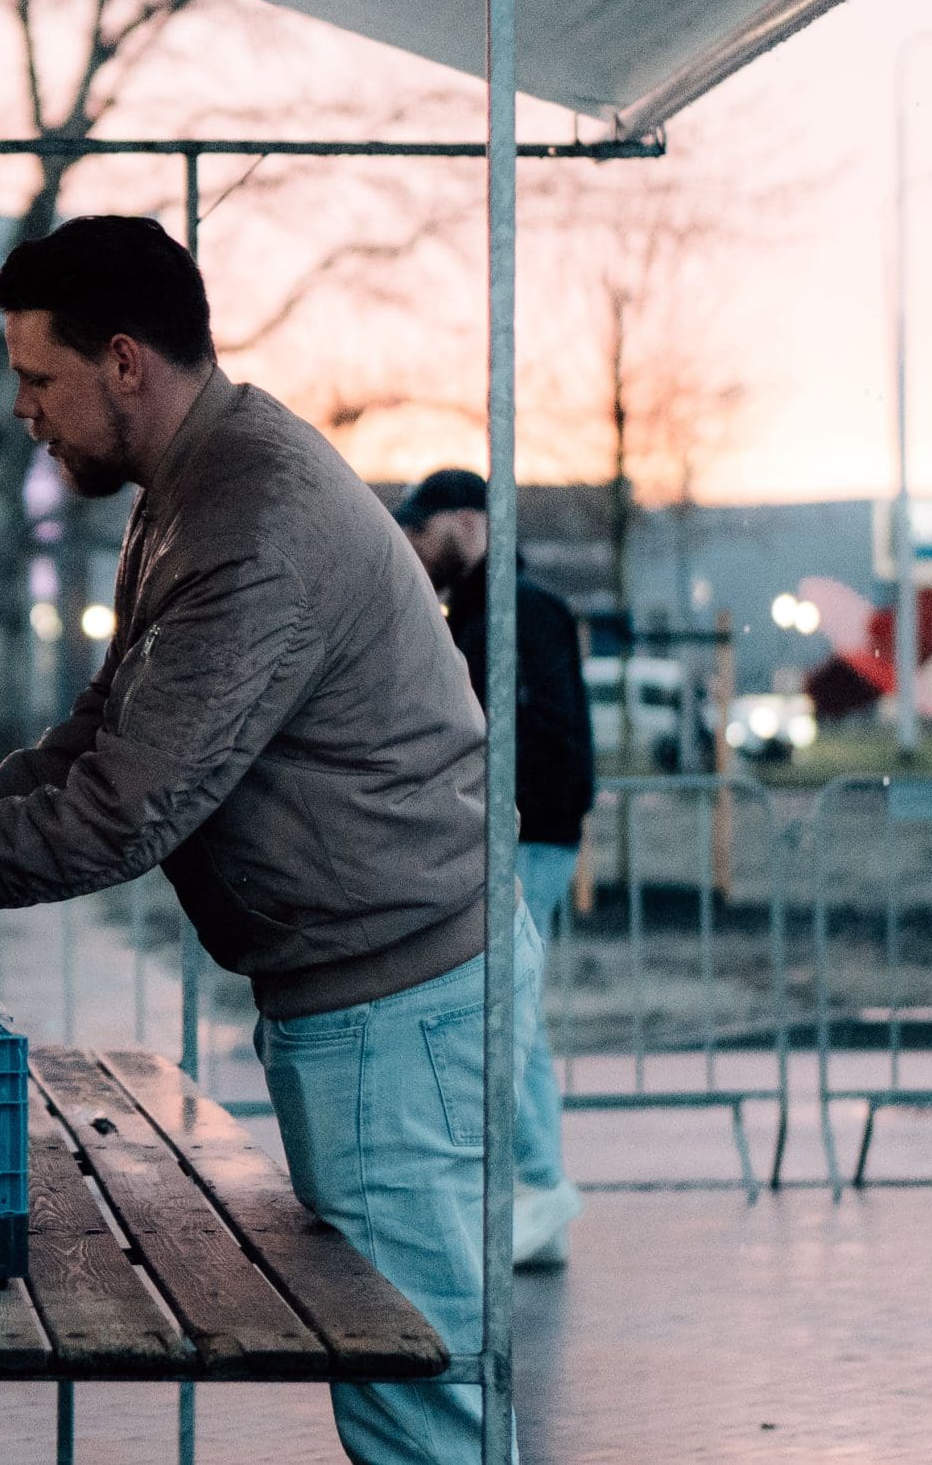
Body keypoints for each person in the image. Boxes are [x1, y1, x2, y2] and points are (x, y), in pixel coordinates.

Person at [0, 216, 536, 1465]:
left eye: (41, 380)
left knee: (422, 1401)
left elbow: (122, 812)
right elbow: (100, 733)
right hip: (386, 992)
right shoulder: (197, 493)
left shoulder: (252, 523)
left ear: (127, 362)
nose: (26, 412)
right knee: (415, 1385)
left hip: (400, 1004)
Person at [396, 468, 597, 1270]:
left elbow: (540, 731)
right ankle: (532, 1190)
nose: (416, 547)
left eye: (425, 530)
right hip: (517, 831)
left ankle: (538, 1186)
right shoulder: (483, 614)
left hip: (525, 835)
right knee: (506, 1007)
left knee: (505, 1009)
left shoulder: (520, 612)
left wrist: (491, 807)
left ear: (470, 522)